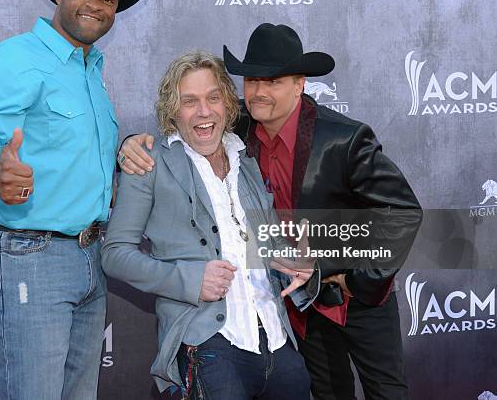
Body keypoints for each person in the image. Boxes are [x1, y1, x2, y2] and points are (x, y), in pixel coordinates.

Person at [118, 24, 422, 400]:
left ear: (300, 84)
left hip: (355, 295)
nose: (260, 92)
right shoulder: (239, 127)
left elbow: (402, 213)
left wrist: (352, 277)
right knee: (329, 392)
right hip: (297, 305)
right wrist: (130, 145)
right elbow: (189, 120)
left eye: (274, 81)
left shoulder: (344, 137)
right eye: (252, 80)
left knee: (386, 393)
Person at [0, 0, 147, 400]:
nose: (95, 5)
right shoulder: (14, 59)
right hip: (28, 259)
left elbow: (75, 161)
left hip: (90, 257)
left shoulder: (90, 71)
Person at [102, 51, 319, 399]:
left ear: (227, 106)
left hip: (275, 340)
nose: (203, 111)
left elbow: (262, 245)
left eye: (213, 98)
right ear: (173, 110)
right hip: (208, 344)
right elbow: (114, 254)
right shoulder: (149, 164)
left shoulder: (246, 160)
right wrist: (189, 279)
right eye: (190, 101)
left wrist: (294, 262)